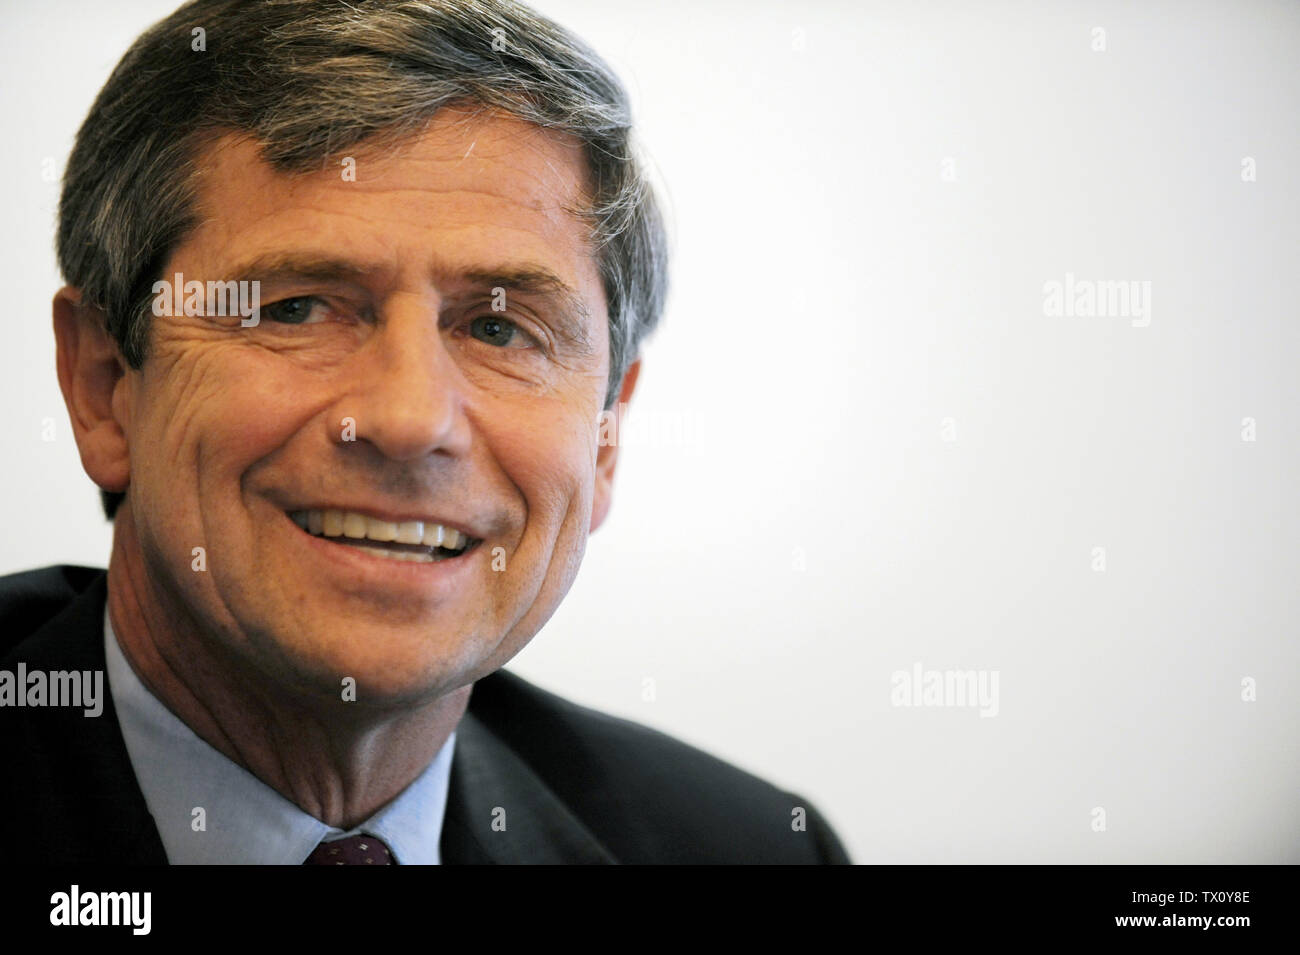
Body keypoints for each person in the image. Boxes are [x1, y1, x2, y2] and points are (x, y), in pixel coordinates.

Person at [0, 0, 849, 864]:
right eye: (296, 308)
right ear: (104, 387)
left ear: (604, 439)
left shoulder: (743, 847)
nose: (408, 421)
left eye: (498, 330)